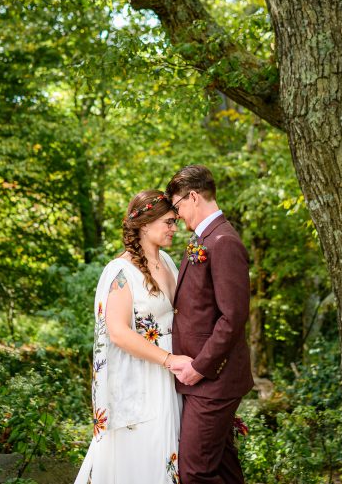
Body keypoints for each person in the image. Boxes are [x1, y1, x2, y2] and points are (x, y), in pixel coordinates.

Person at [74, 189, 192, 484]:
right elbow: (117, 332)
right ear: (143, 224)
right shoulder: (119, 272)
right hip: (143, 378)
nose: (174, 229)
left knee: (171, 454)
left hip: (171, 379)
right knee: (143, 454)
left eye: (175, 221)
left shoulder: (167, 261)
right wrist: (169, 359)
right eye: (167, 222)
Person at [166, 165, 253, 484]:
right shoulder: (206, 238)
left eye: (177, 207)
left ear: (192, 196)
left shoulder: (223, 241)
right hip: (205, 380)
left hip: (213, 379)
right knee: (223, 466)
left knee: (195, 473)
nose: (177, 216)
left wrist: (200, 367)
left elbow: (233, 318)